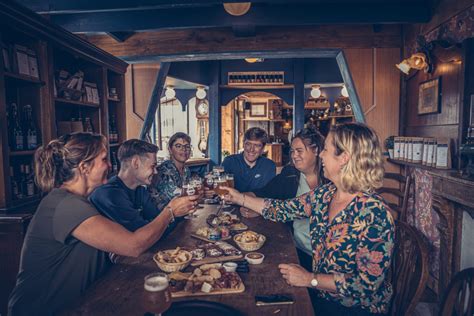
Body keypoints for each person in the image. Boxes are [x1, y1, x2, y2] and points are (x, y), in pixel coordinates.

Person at [8, 133, 196, 316]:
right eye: (104, 159)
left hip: (77, 303)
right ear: (84, 167)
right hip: (39, 310)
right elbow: (133, 245)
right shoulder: (65, 204)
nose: (110, 165)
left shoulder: (79, 200)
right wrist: (170, 211)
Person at [223, 123, 394, 315]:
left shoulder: (375, 213)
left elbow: (366, 284)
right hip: (320, 293)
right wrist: (238, 197)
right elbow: (282, 209)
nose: (321, 154)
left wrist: (310, 279)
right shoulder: (326, 194)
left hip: (354, 307)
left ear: (344, 158)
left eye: (326, 150)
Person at [240, 127, 326, 258]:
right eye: (292, 151)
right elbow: (263, 193)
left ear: (316, 151)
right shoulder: (290, 174)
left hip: (326, 257)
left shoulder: (330, 179)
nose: (294, 155)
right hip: (298, 250)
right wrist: (248, 204)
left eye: (299, 151)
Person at [90, 139, 198, 232]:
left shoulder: (140, 190)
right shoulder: (109, 194)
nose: (156, 172)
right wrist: (171, 213)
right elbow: (142, 235)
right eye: (153, 166)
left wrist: (179, 211)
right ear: (136, 163)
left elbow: (156, 223)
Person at [222, 127, 276, 192]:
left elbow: (268, 193)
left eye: (257, 145)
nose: (251, 149)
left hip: (257, 202)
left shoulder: (269, 166)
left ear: (263, 149)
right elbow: (220, 188)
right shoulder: (229, 162)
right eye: (248, 144)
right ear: (243, 145)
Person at [149, 132, 192, 211]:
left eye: (187, 146)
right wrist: (198, 191)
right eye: (178, 146)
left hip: (180, 213)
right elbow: (176, 196)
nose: (184, 149)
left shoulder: (186, 170)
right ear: (170, 150)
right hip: (161, 217)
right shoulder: (164, 170)